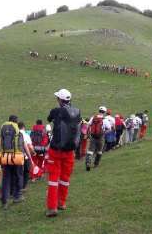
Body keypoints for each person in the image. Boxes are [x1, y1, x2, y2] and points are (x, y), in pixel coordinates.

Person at [45, 89, 81, 217]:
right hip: (70, 150)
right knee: (65, 178)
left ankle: (52, 207)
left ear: (60, 100)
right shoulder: (77, 111)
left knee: (53, 179)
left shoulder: (56, 111)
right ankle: (62, 203)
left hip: (56, 150)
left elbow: (49, 119)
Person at [0, 115, 25, 209]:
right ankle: (17, 196)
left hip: (5, 156)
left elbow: (0, 142)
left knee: (6, 178)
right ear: (16, 121)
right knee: (18, 176)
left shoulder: (3, 128)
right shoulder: (17, 130)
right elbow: (20, 145)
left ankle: (4, 201)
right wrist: (22, 156)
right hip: (16, 156)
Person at [86, 106, 105, 171]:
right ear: (104, 112)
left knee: (90, 150)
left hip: (93, 136)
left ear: (99, 111)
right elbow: (109, 128)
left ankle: (88, 163)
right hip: (100, 137)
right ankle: (96, 164)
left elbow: (88, 124)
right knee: (99, 151)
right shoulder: (104, 119)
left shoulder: (93, 117)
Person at [18, 121, 34, 189]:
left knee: (18, 172)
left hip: (16, 156)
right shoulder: (26, 135)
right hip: (25, 156)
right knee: (26, 171)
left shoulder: (16, 134)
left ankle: (17, 186)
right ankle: (23, 186)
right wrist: (33, 152)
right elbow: (29, 146)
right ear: (24, 127)